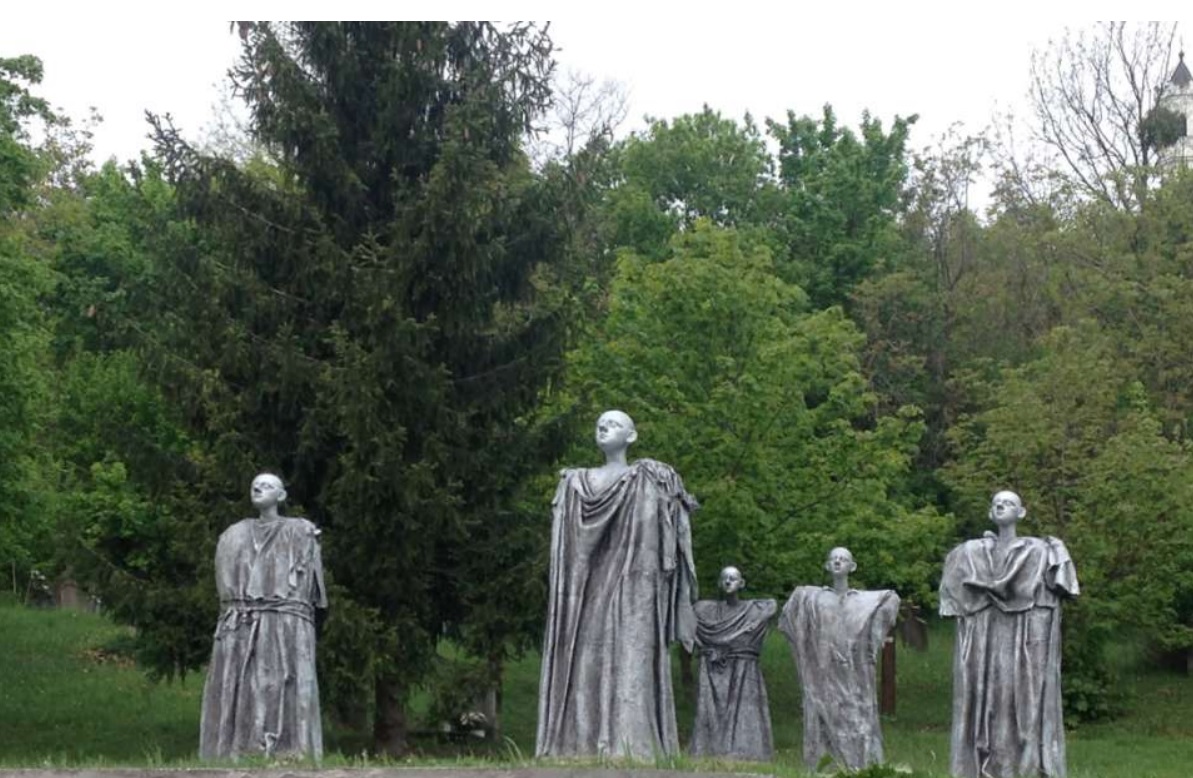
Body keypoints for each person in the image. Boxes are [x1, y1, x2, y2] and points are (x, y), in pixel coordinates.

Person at [536, 410, 698, 759]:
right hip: (588, 592)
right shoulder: (577, 482)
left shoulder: (648, 477)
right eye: (599, 424)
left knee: (629, 658)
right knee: (586, 659)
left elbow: (669, 535)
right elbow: (571, 552)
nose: (603, 427)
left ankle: (629, 742)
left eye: (614, 424)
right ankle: (581, 742)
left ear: (632, 436)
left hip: (632, 592)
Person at [940, 490, 1078, 778]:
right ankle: (987, 764)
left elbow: (1060, 586)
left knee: (1024, 698)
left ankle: (1025, 766)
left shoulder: (1038, 551)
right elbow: (956, 594)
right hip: (987, 635)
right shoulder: (971, 553)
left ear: (1021, 512)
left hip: (1025, 636)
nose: (1001, 506)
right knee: (989, 696)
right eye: (997, 503)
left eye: (1009, 503)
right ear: (990, 512)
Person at [199, 473, 327, 761]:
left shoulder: (299, 530)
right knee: (243, 684)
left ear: (281, 496)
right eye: (254, 485)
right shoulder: (233, 535)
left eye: (267, 485)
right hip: (241, 621)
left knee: (279, 680)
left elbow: (312, 590)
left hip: (285, 622)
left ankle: (289, 748)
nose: (257, 488)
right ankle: (238, 747)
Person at [780, 547, 899, 772]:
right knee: (824, 716)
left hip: (852, 674)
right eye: (833, 559)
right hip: (823, 673)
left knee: (856, 719)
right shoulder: (813, 599)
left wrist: (871, 640)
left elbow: (890, 600)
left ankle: (859, 767)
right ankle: (826, 768)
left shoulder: (862, 600)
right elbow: (790, 618)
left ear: (852, 567)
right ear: (827, 565)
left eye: (843, 559)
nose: (837, 562)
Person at [690, 566, 776, 761]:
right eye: (725, 578)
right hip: (713, 667)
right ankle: (710, 749)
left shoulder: (754, 610)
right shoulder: (705, 611)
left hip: (743, 668)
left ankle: (745, 750)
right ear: (719, 583)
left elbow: (771, 607)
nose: (728, 582)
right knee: (711, 710)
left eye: (733, 578)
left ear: (742, 583)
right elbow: (691, 627)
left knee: (743, 707)